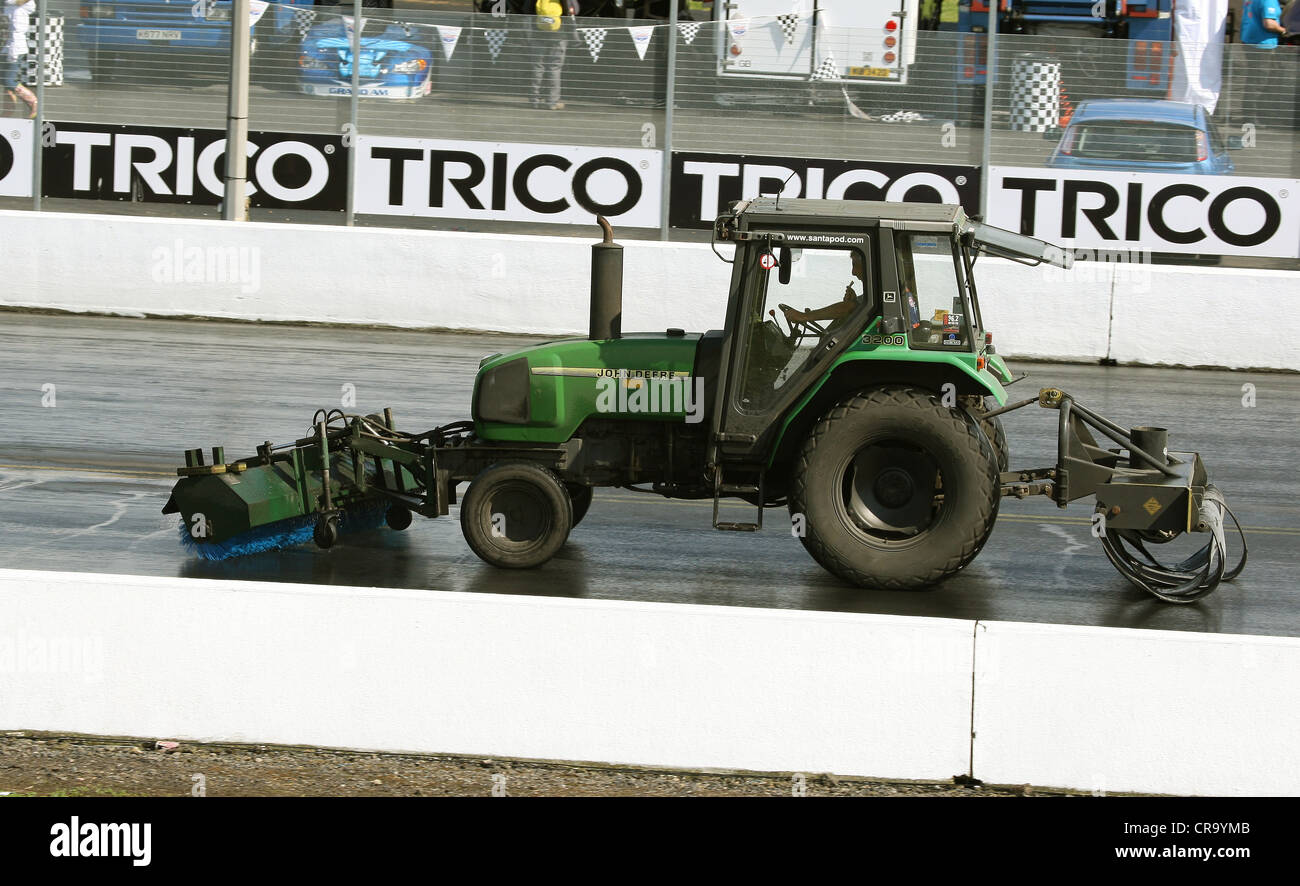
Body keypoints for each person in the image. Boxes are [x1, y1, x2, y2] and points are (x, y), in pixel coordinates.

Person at [781, 251, 868, 327]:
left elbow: (845, 308)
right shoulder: (870, 297)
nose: (853, 272)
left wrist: (804, 316)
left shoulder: (876, 296)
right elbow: (851, 307)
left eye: (855, 265)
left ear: (867, 266)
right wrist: (854, 301)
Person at [1238, 0, 1287, 123]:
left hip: (1249, 42)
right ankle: (1251, 119)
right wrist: (1284, 31)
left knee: (1253, 81)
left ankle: (1249, 115)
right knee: (1258, 82)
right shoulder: (1268, 0)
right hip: (1262, 45)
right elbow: (1269, 24)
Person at [527, 0, 578, 111]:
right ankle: (552, 102)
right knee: (554, 68)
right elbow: (574, 10)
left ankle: (535, 100)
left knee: (537, 67)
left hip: (538, 34)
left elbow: (526, 9)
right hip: (559, 36)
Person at [2, 0, 37, 119]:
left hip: (16, 47)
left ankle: (33, 101)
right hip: (7, 46)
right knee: (4, 79)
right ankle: (8, 110)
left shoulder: (22, 4)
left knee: (9, 81)